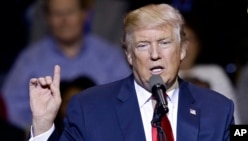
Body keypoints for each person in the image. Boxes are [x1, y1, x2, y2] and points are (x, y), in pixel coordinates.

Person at [29, 3, 234, 141]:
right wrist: (42, 126)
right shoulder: (89, 109)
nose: (155, 54)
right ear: (128, 55)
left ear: (182, 50)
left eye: (164, 43)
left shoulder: (217, 110)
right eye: (143, 45)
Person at [1, 0, 131, 130]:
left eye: (70, 12)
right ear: (47, 18)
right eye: (57, 14)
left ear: (85, 14)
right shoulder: (29, 59)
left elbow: (129, 100)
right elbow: (9, 107)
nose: (64, 20)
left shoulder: (110, 56)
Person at [178, 19, 240, 123]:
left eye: (189, 40)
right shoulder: (161, 78)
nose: (184, 46)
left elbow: (232, 115)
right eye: (179, 40)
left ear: (198, 45)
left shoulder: (214, 73)